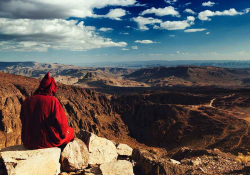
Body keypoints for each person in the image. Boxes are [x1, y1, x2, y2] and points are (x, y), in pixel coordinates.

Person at [20, 72, 74, 149]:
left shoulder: (27, 101)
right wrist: (64, 134)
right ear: (51, 87)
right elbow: (61, 124)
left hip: (28, 142)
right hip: (47, 142)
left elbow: (23, 119)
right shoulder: (52, 101)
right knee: (71, 132)